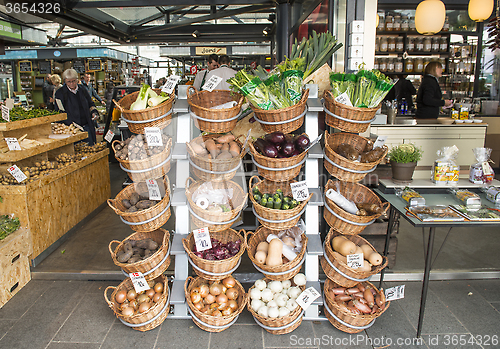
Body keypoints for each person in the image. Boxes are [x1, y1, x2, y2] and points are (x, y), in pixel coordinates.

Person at [54, 69, 99, 145]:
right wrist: (70, 124)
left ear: (77, 80)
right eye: (69, 81)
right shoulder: (60, 93)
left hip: (86, 125)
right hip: (72, 129)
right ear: (65, 81)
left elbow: (90, 103)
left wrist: (94, 112)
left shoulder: (83, 89)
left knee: (91, 147)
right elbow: (59, 112)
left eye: (74, 81)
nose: (72, 83)